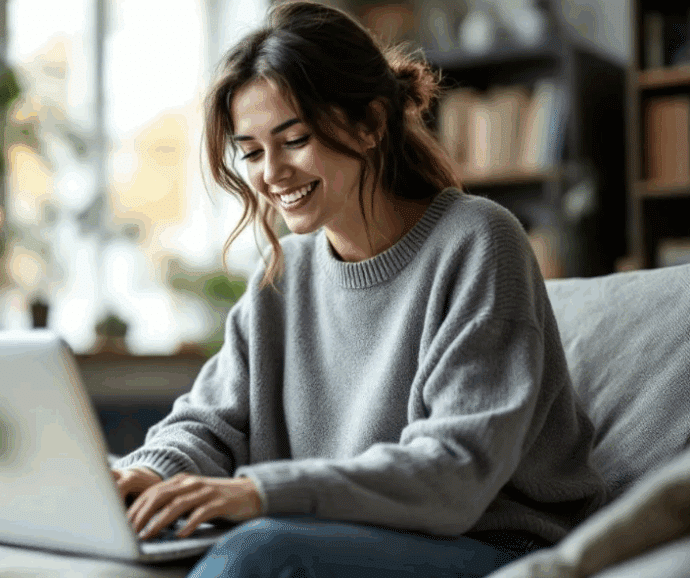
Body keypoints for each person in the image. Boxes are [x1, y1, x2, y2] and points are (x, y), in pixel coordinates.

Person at [111, 2, 607, 576]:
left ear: (370, 124)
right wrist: (150, 473)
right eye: (250, 152)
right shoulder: (284, 272)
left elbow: (455, 471)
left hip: (491, 540)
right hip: (341, 531)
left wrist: (261, 493)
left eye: (293, 139)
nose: (270, 174)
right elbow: (211, 422)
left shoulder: (479, 240)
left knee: (258, 554)